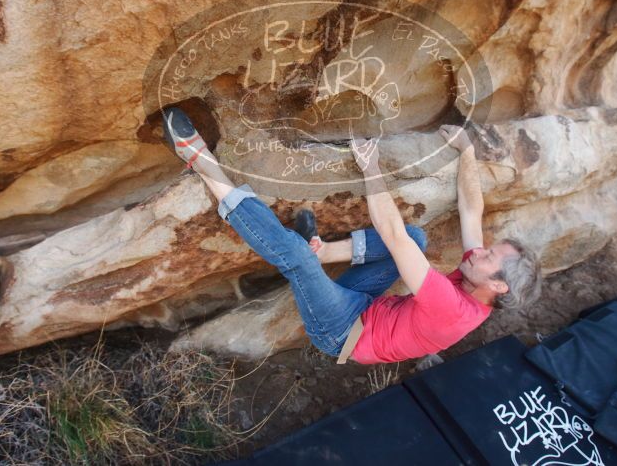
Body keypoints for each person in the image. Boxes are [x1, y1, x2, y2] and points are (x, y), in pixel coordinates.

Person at [161, 106, 542, 365]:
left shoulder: (453, 309)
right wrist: (468, 150)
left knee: (295, 254)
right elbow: (471, 210)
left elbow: (391, 234)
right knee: (417, 240)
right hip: (367, 305)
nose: (478, 252)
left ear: (499, 287)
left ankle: (200, 160)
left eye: (489, 257)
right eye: (488, 250)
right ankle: (322, 252)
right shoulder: (479, 280)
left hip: (341, 332)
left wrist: (371, 167)